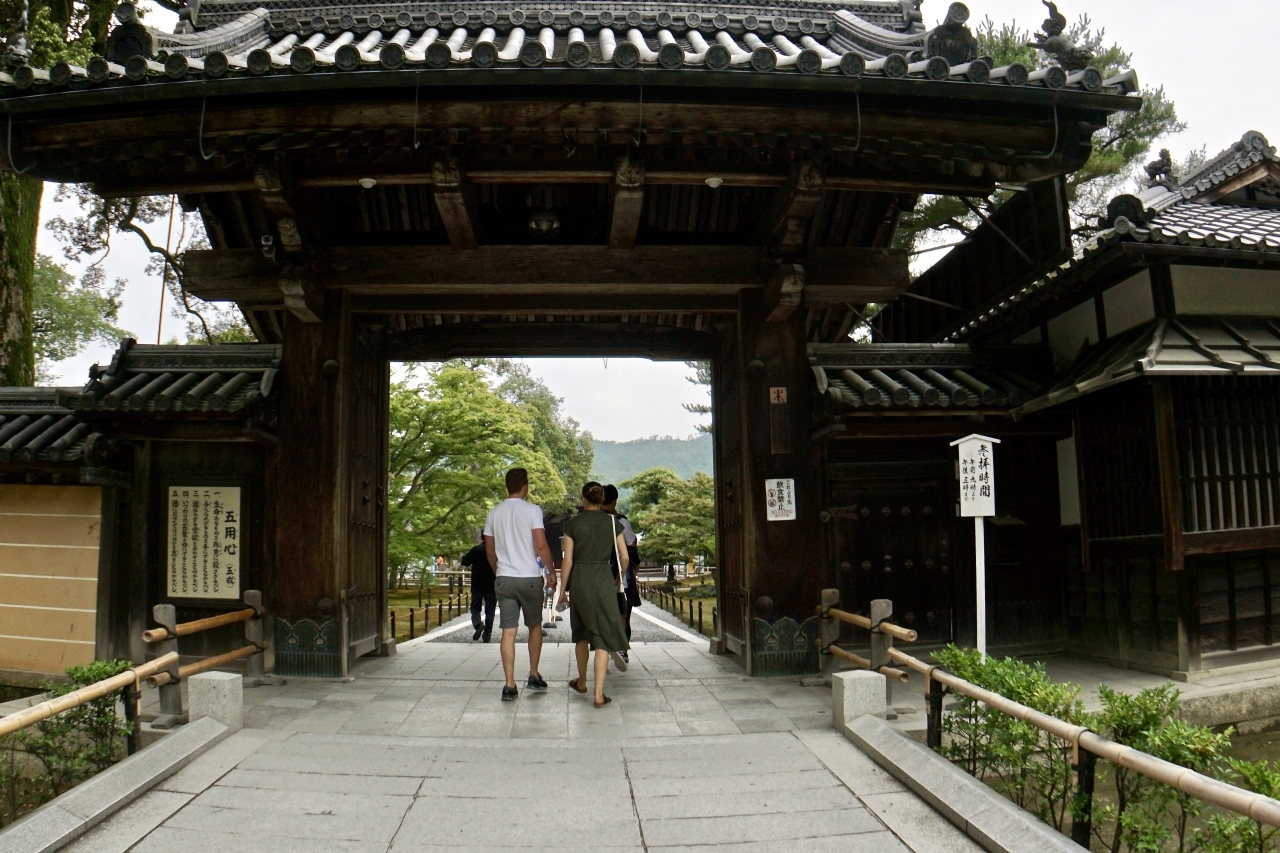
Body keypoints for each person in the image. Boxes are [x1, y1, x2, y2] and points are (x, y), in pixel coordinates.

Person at [484, 468, 557, 701]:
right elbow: (541, 545)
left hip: (504, 578)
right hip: (529, 578)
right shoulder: (533, 510)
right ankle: (533, 674)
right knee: (535, 626)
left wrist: (499, 572)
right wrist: (551, 571)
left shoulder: (494, 513)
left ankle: (509, 684)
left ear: (507, 486)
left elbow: (489, 550)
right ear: (525, 486)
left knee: (508, 630)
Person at [557, 482, 630, 708]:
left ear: (583, 498)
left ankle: (581, 681)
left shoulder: (572, 524)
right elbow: (624, 557)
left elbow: (567, 560)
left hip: (580, 579)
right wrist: (619, 577)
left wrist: (562, 591)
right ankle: (598, 694)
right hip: (603, 579)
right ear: (602, 499)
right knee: (602, 636)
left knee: (580, 632)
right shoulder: (611, 522)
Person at [601, 484, 641, 662]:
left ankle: (607, 648)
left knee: (604, 616)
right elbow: (632, 542)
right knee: (624, 615)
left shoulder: (594, 521)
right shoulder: (621, 521)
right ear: (615, 500)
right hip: (622, 575)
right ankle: (623, 650)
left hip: (600, 574)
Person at [461, 539, 495, 643]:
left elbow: (465, 562)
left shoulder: (476, 550)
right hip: (492, 583)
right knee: (490, 610)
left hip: (477, 583)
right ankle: (487, 635)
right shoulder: (496, 550)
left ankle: (478, 624)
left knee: (475, 608)